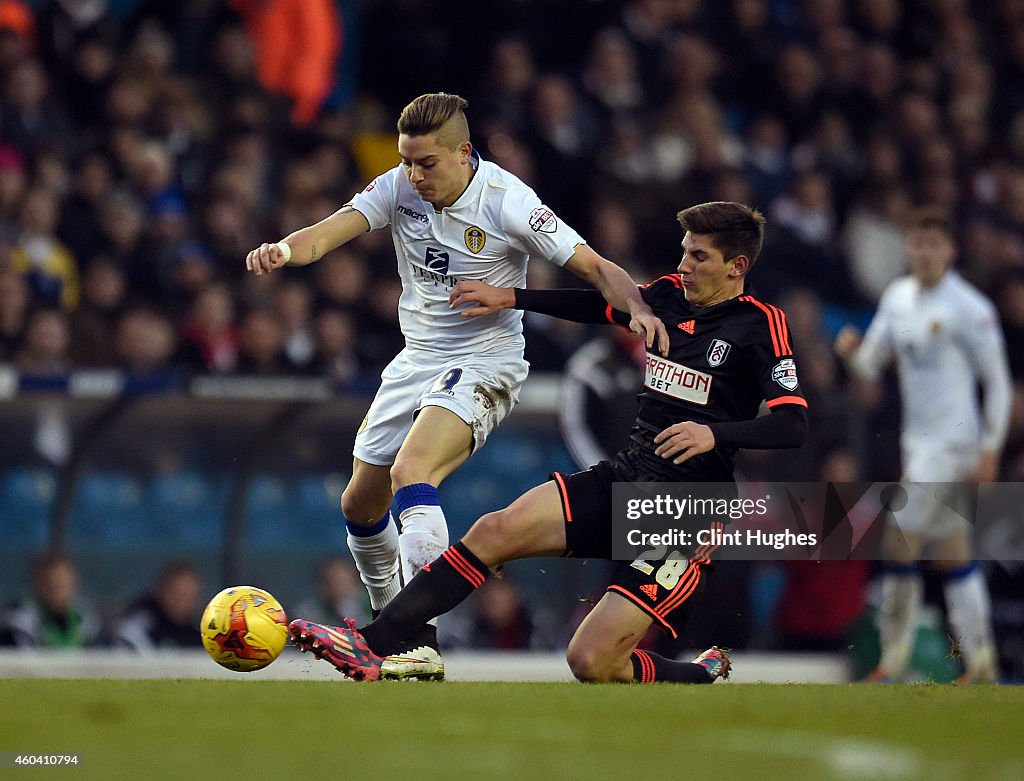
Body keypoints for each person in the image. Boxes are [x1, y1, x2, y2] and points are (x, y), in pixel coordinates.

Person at [288, 200, 809, 683]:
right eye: (684, 252)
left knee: (590, 661)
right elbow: (595, 307)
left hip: (688, 509)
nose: (685, 264)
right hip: (627, 476)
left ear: (736, 267)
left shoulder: (760, 326)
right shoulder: (669, 295)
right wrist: (510, 297)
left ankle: (699, 673)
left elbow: (792, 423)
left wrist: (711, 432)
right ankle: (376, 643)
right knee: (494, 531)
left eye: (699, 256)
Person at [245, 92, 665, 680]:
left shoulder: (507, 200)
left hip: (484, 359)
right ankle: (390, 616)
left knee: (412, 472)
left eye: (427, 164)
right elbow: (329, 232)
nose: (414, 176)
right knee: (360, 504)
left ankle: (417, 640)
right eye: (407, 162)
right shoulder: (397, 186)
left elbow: (596, 267)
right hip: (416, 358)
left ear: (464, 153)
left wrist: (638, 312)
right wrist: (284, 250)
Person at [835, 206, 1012, 684]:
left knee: (898, 542)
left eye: (936, 245)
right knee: (951, 552)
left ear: (950, 251)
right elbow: (873, 364)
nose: (927, 254)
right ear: (909, 248)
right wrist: (853, 356)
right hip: (919, 444)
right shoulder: (898, 298)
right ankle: (981, 663)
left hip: (955, 445)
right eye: (919, 244)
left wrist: (991, 449)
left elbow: (996, 383)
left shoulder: (970, 309)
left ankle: (891, 661)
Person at [0, 551, 102, 648]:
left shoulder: (85, 618)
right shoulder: (21, 620)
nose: (57, 591)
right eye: (50, 585)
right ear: (37, 584)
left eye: (63, 585)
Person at [112, 559, 202, 651]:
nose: (184, 603)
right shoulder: (138, 627)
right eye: (180, 595)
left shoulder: (199, 631)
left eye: (191, 597)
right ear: (162, 591)